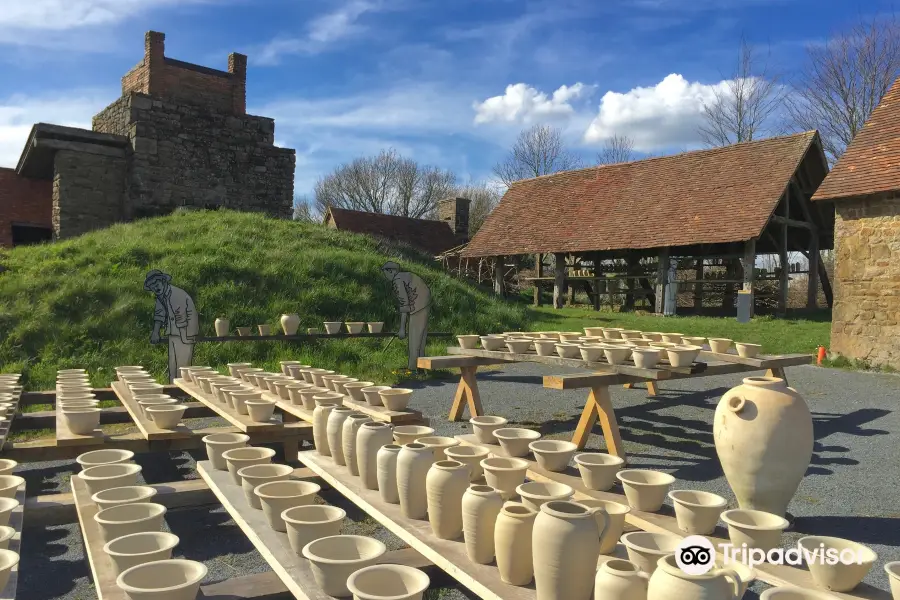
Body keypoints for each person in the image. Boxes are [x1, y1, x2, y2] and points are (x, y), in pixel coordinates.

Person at [144, 270, 199, 383]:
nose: (155, 287)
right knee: (172, 366)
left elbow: (181, 316)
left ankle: (183, 395)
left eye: (156, 284)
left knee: (182, 367)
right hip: (173, 332)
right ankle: (174, 392)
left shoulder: (176, 294)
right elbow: (159, 315)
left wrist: (184, 336)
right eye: (152, 286)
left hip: (185, 332)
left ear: (163, 281)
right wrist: (155, 332)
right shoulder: (161, 296)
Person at [381, 261, 431, 371]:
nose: (386, 276)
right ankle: (421, 368)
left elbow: (404, 304)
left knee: (414, 339)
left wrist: (402, 329)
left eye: (386, 273)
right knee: (420, 340)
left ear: (391, 271)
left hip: (418, 304)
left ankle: (413, 369)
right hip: (424, 303)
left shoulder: (397, 280)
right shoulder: (405, 276)